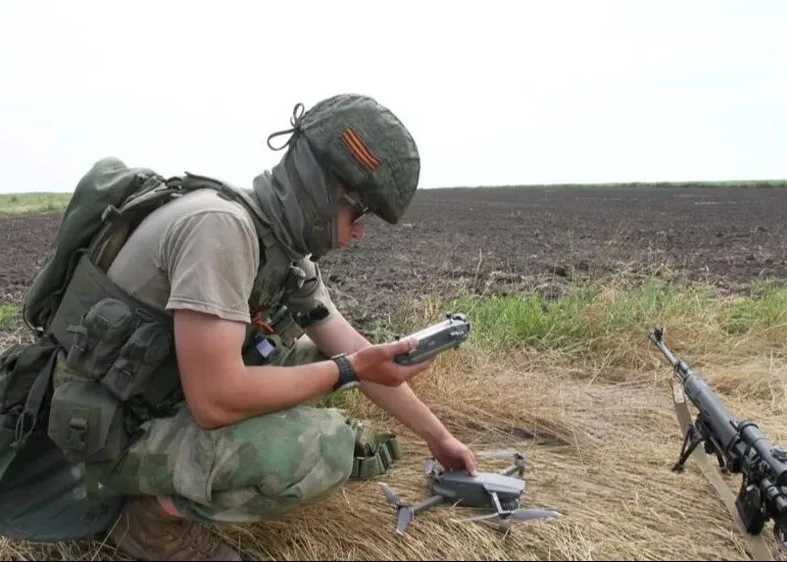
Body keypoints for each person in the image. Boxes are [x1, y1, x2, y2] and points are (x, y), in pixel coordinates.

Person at [50, 93, 477, 560]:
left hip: (160, 398)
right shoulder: (221, 229)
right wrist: (349, 370)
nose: (359, 232)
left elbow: (351, 349)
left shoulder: (284, 250)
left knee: (322, 360)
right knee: (328, 448)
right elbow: (215, 401)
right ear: (320, 190)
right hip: (107, 436)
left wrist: (438, 437)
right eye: (359, 212)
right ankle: (147, 523)